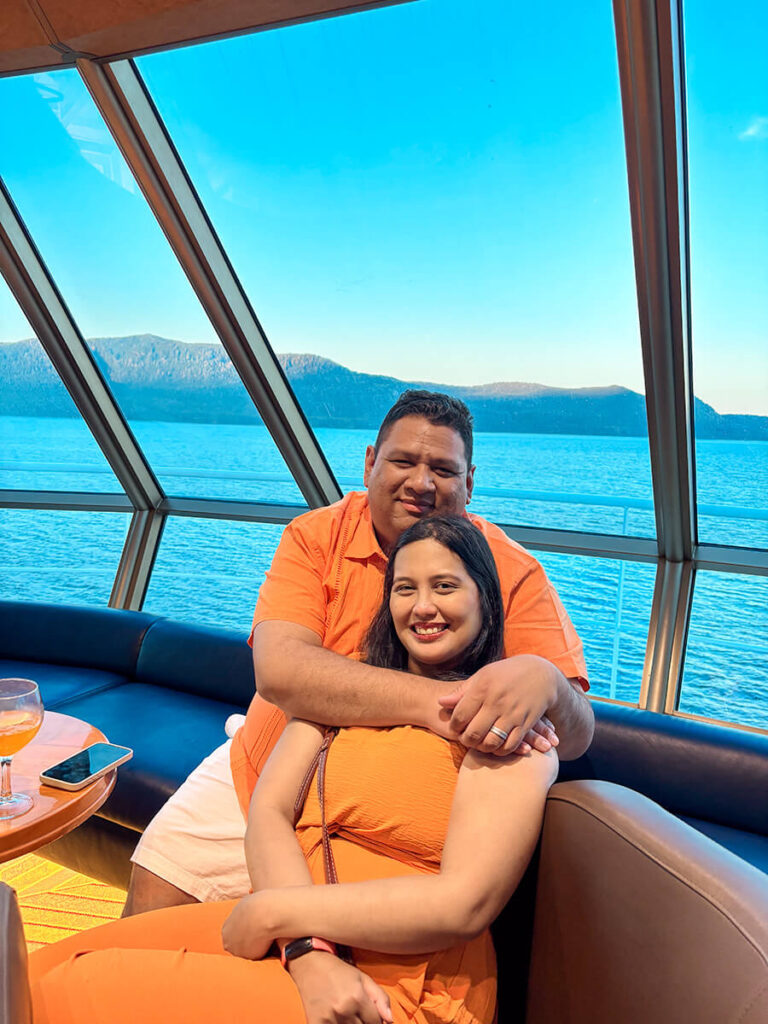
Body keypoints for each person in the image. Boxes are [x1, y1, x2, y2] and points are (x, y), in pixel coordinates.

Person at [29, 515, 561, 1024]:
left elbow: (464, 904)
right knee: (34, 972)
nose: (423, 607)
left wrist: (277, 914)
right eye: (405, 588)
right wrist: (307, 949)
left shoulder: (509, 730)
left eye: (445, 586)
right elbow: (270, 813)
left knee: (70, 994)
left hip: (402, 984)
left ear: (486, 602)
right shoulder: (342, 694)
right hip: (297, 939)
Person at [125, 390, 593, 915]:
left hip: (394, 815)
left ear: (469, 482)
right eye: (402, 461)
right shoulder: (316, 536)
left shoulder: (513, 570)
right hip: (262, 776)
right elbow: (281, 674)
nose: (420, 483)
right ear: (370, 462)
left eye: (442, 468)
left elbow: (574, 734)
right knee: (149, 906)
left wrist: (547, 682)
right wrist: (447, 703)